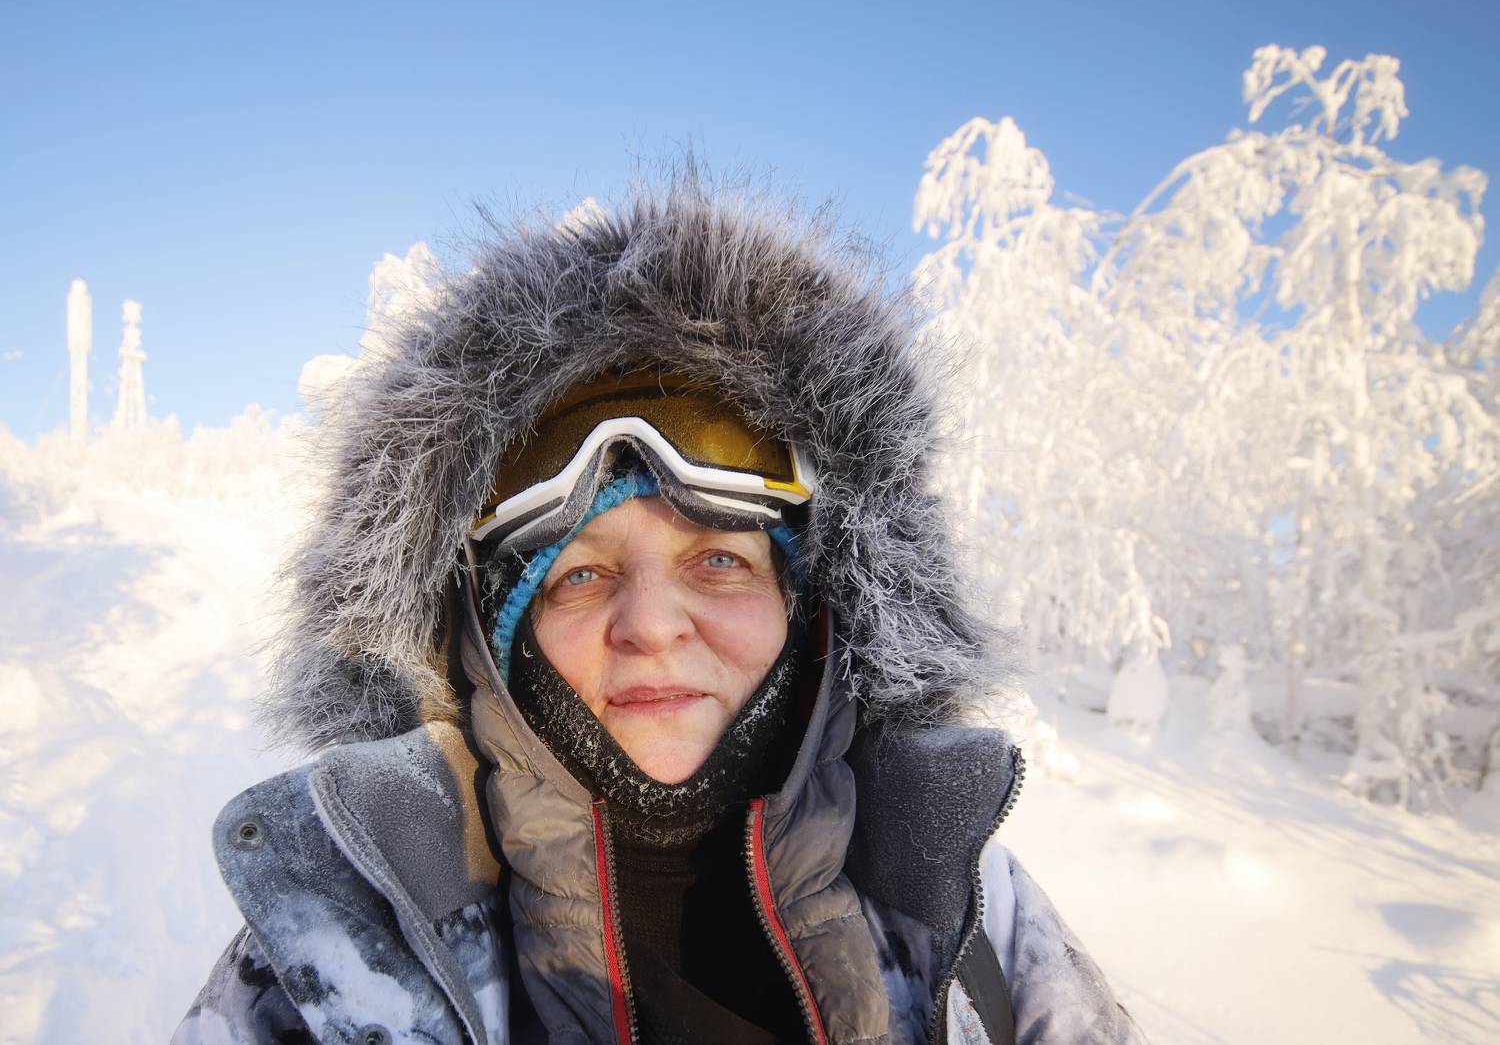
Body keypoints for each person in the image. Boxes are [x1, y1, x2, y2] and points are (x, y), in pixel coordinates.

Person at [172, 173, 1147, 1044]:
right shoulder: (339, 950)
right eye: (579, 575)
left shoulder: (969, 917)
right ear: (489, 638)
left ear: (816, 606)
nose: (650, 624)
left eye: (719, 560)